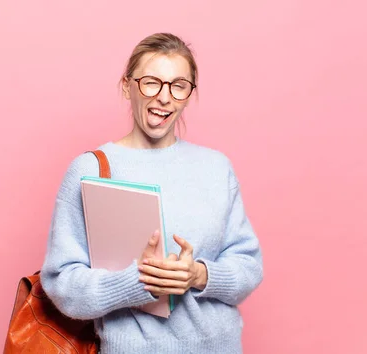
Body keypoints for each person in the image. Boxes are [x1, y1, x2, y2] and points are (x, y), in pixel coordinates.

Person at [40, 32, 263, 353]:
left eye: (178, 85)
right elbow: (64, 286)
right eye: (151, 82)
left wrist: (199, 275)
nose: (164, 97)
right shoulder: (90, 170)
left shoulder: (216, 167)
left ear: (188, 94)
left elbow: (248, 266)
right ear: (126, 86)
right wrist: (137, 283)